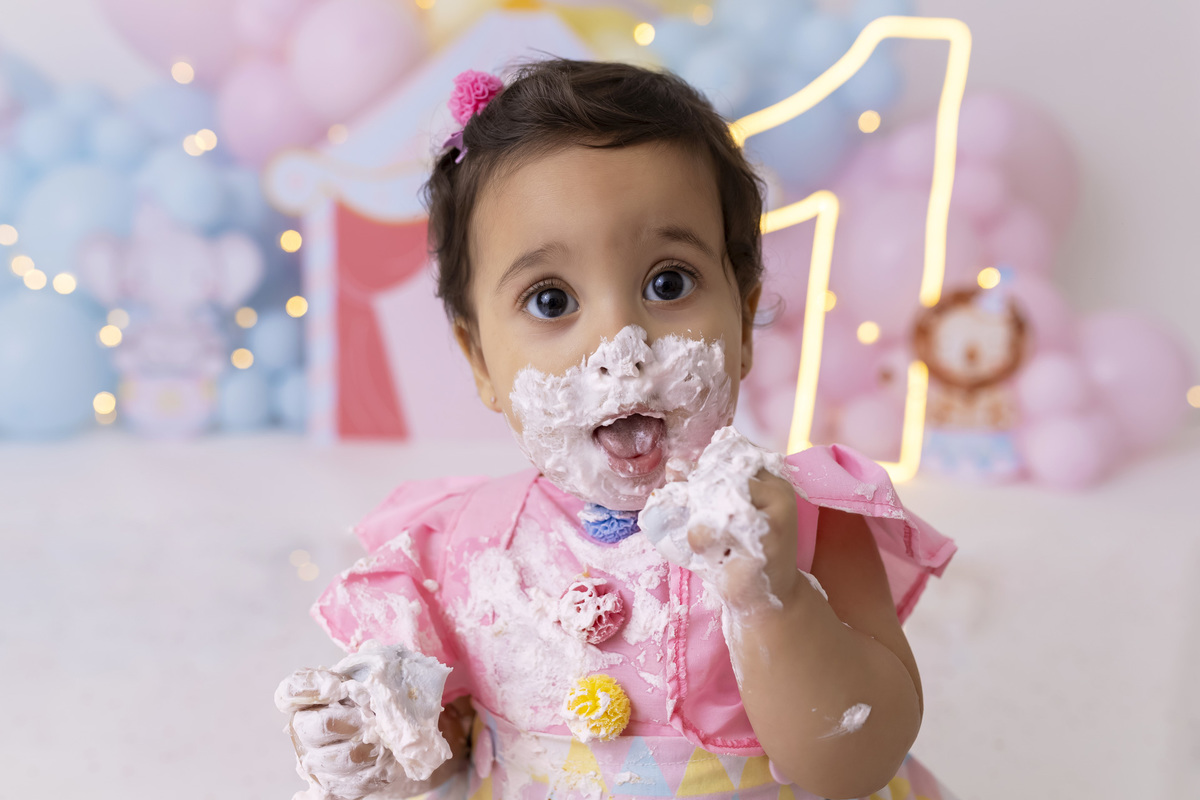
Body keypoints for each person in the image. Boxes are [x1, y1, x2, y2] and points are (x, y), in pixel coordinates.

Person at [278, 59, 959, 800]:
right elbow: (452, 746)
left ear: (742, 319)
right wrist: (380, 742)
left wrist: (776, 600)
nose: (620, 340)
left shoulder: (804, 520)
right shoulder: (459, 547)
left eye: (669, 282)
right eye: (550, 299)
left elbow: (856, 761)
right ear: (479, 359)